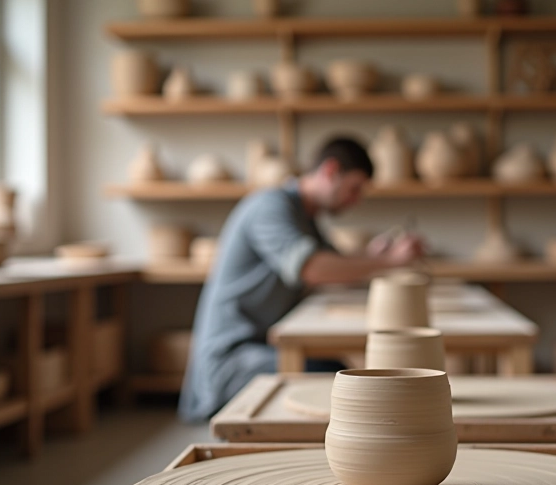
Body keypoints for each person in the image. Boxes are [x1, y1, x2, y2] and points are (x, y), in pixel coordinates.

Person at [178, 136, 425, 422]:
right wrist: (389, 261)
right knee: (336, 385)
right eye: (354, 189)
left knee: (336, 371)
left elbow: (337, 272)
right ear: (331, 170)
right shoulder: (270, 206)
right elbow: (313, 269)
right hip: (232, 358)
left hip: (264, 345)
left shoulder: (306, 219)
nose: (356, 200)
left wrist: (372, 255)